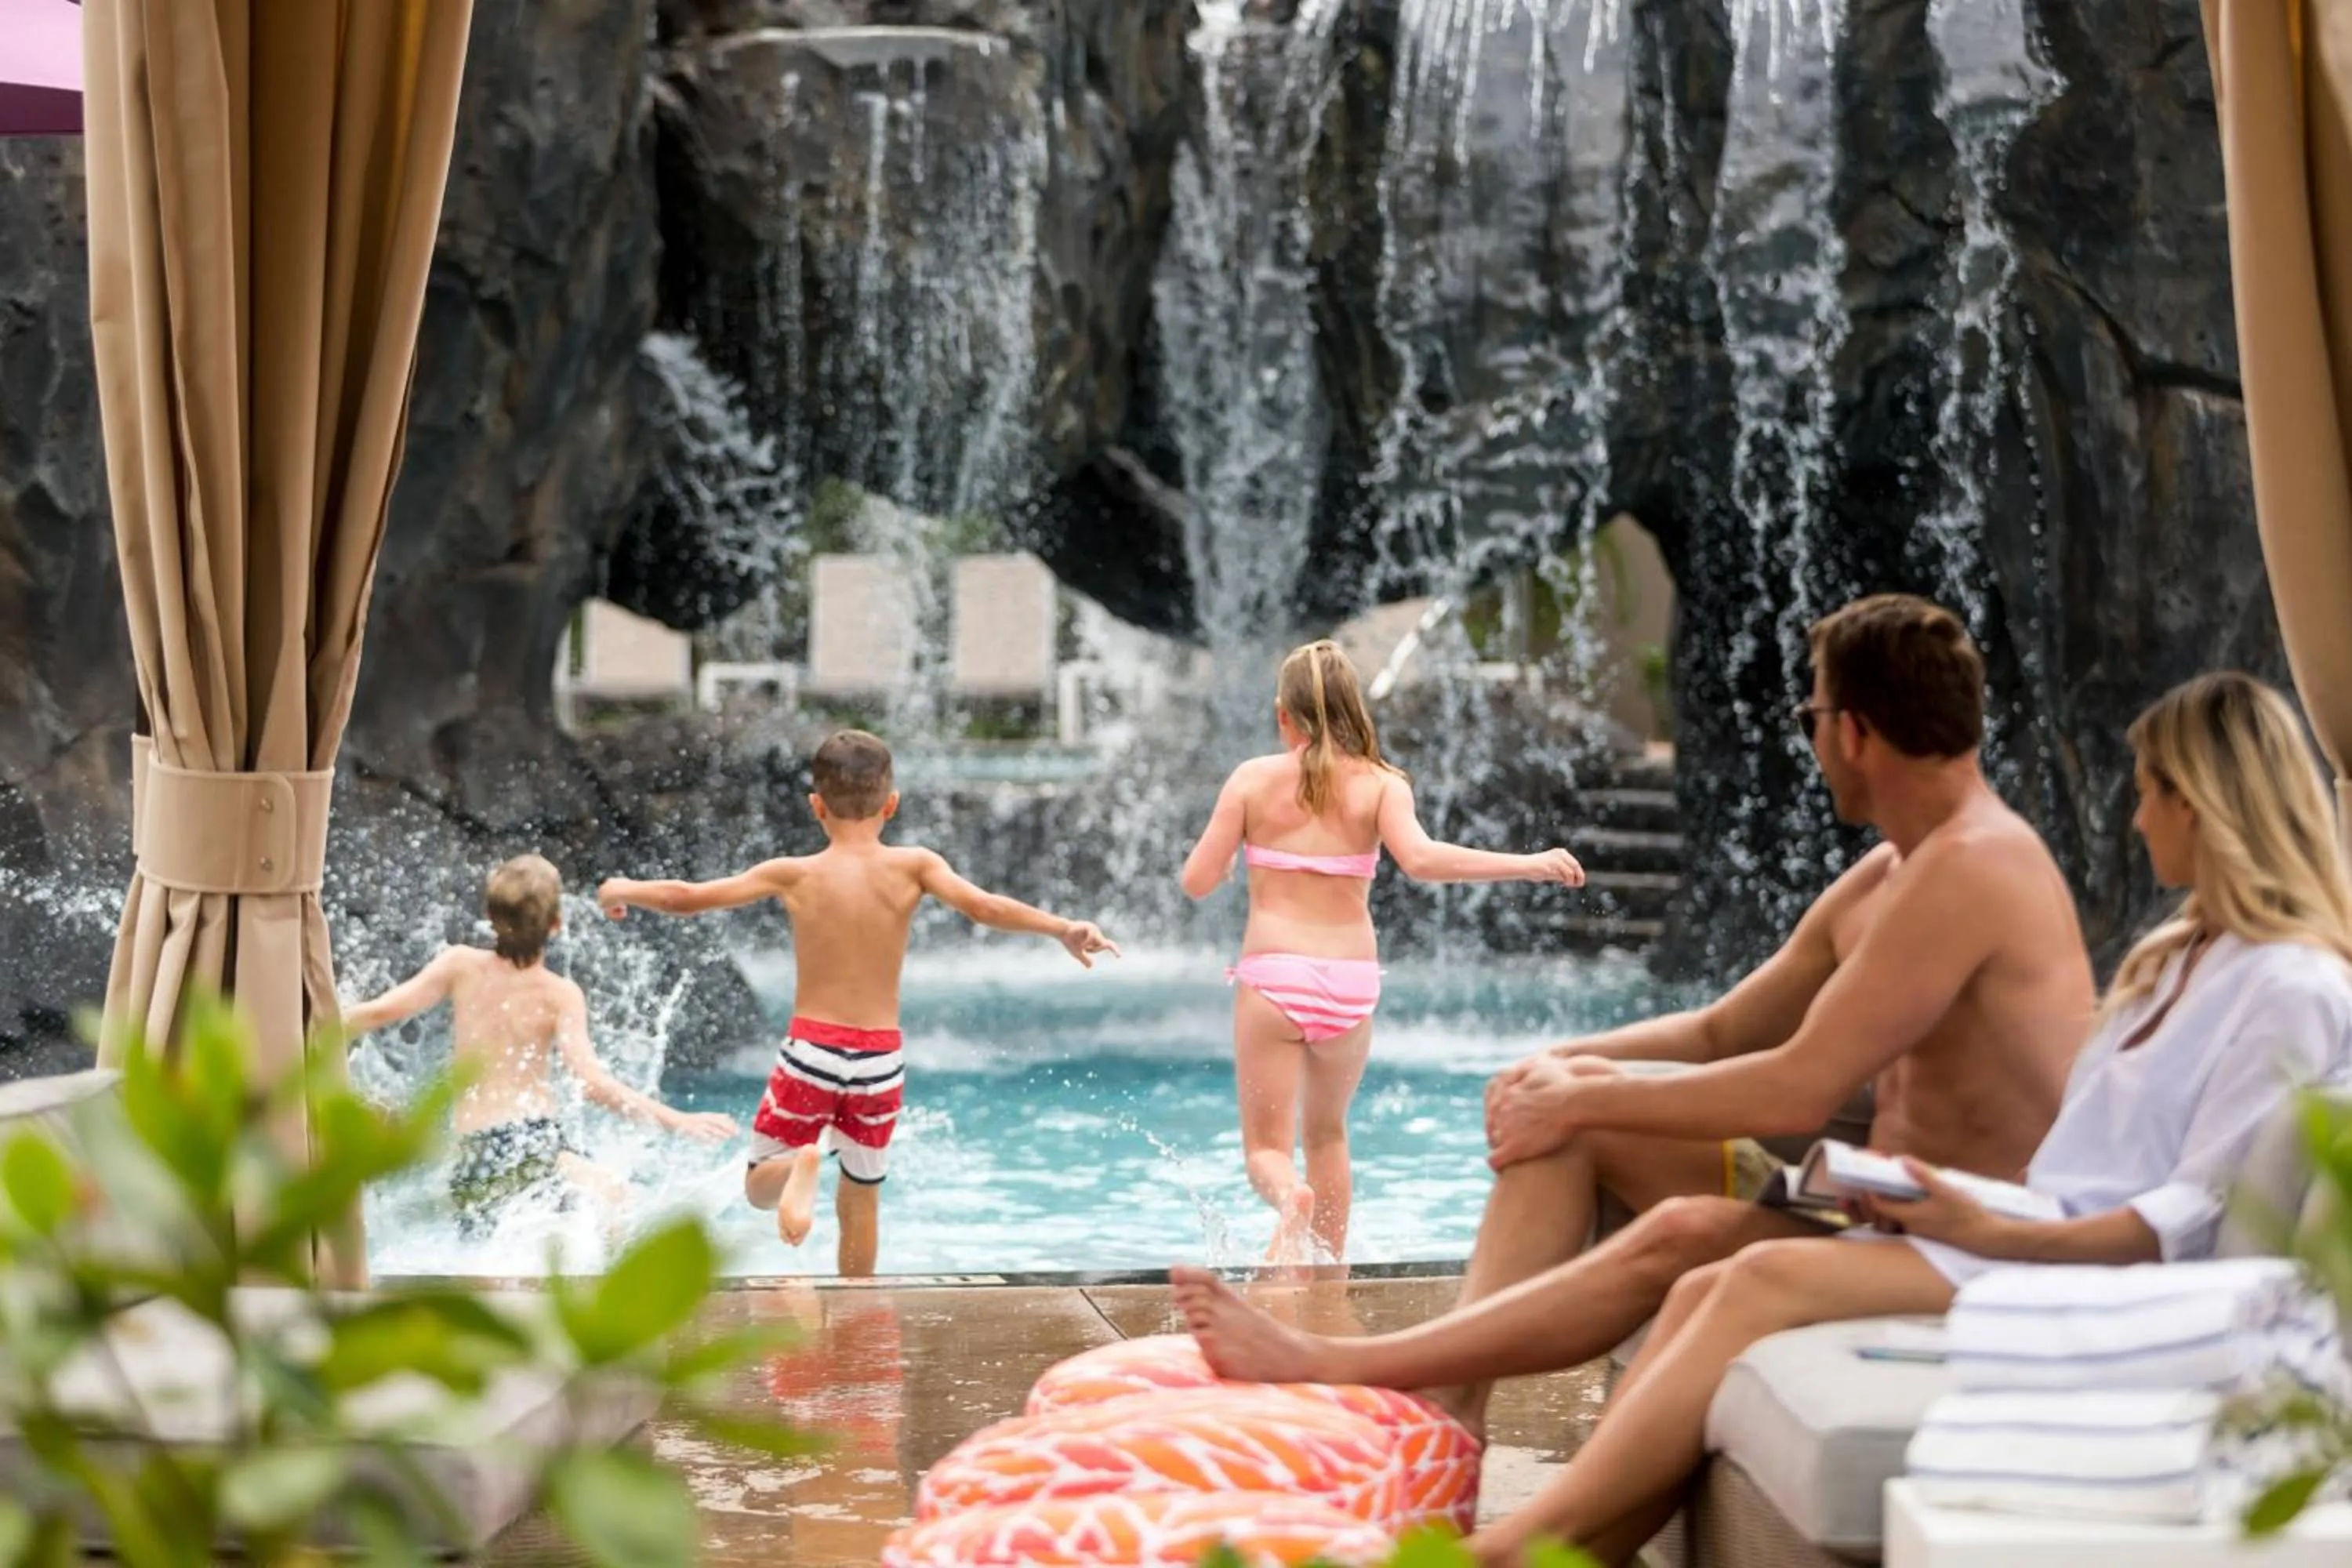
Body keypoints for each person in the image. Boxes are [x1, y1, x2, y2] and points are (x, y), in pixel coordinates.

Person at [1178, 670, 2352, 1565]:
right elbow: (1732, 1028)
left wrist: (1980, 1219)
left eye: (2151, 792)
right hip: (1981, 1215)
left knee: (1708, 1272)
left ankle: (1424, 1461)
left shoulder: (2285, 984)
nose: (2136, 819)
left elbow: (2179, 1217)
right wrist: (1571, 1067)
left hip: (2039, 1252)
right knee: (1648, 1218)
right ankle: (1459, 1453)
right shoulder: (2174, 956)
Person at [1172, 594, 2099, 1432]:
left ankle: (1363, 1370)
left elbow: (1794, 1083)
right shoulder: (1888, 874)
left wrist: (1584, 1096)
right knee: (1569, 1137)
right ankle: (1452, 1411)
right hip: (1863, 1194)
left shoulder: (1970, 868)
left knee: (1618, 1172)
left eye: (1809, 716)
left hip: (1960, 1225)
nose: (1807, 739)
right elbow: (1722, 1030)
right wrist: (1565, 1061)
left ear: (1851, 730)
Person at [597, 728, 1118, 1276]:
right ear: (891, 804)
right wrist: (1062, 928)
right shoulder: (915, 866)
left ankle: (802, 1162)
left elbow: (689, 898)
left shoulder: (793, 873)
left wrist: (623, 888)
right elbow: (985, 908)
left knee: (758, 1185)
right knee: (863, 1198)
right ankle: (857, 1307)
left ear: (816, 806)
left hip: (811, 1051)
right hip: (879, 1062)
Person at [1180, 638, 1587, 1265]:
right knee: (1329, 1134)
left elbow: (1196, 882)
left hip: (1274, 978)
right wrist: (1528, 864)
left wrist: (1232, 861)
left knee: (1268, 1149)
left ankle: (1290, 1198)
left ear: (1283, 715)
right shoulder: (1381, 785)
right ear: (1352, 710)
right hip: (1350, 985)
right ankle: (1329, 1270)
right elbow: (1423, 860)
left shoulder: (1252, 781)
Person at [342, 854, 739, 1237]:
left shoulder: (459, 964)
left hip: (472, 1154)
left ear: (490, 917)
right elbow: (593, 1084)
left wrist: (313, 1025)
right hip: (530, 1142)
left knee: (487, 1250)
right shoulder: (560, 994)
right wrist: (678, 1120)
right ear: (556, 924)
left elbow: (376, 1013)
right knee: (616, 1199)